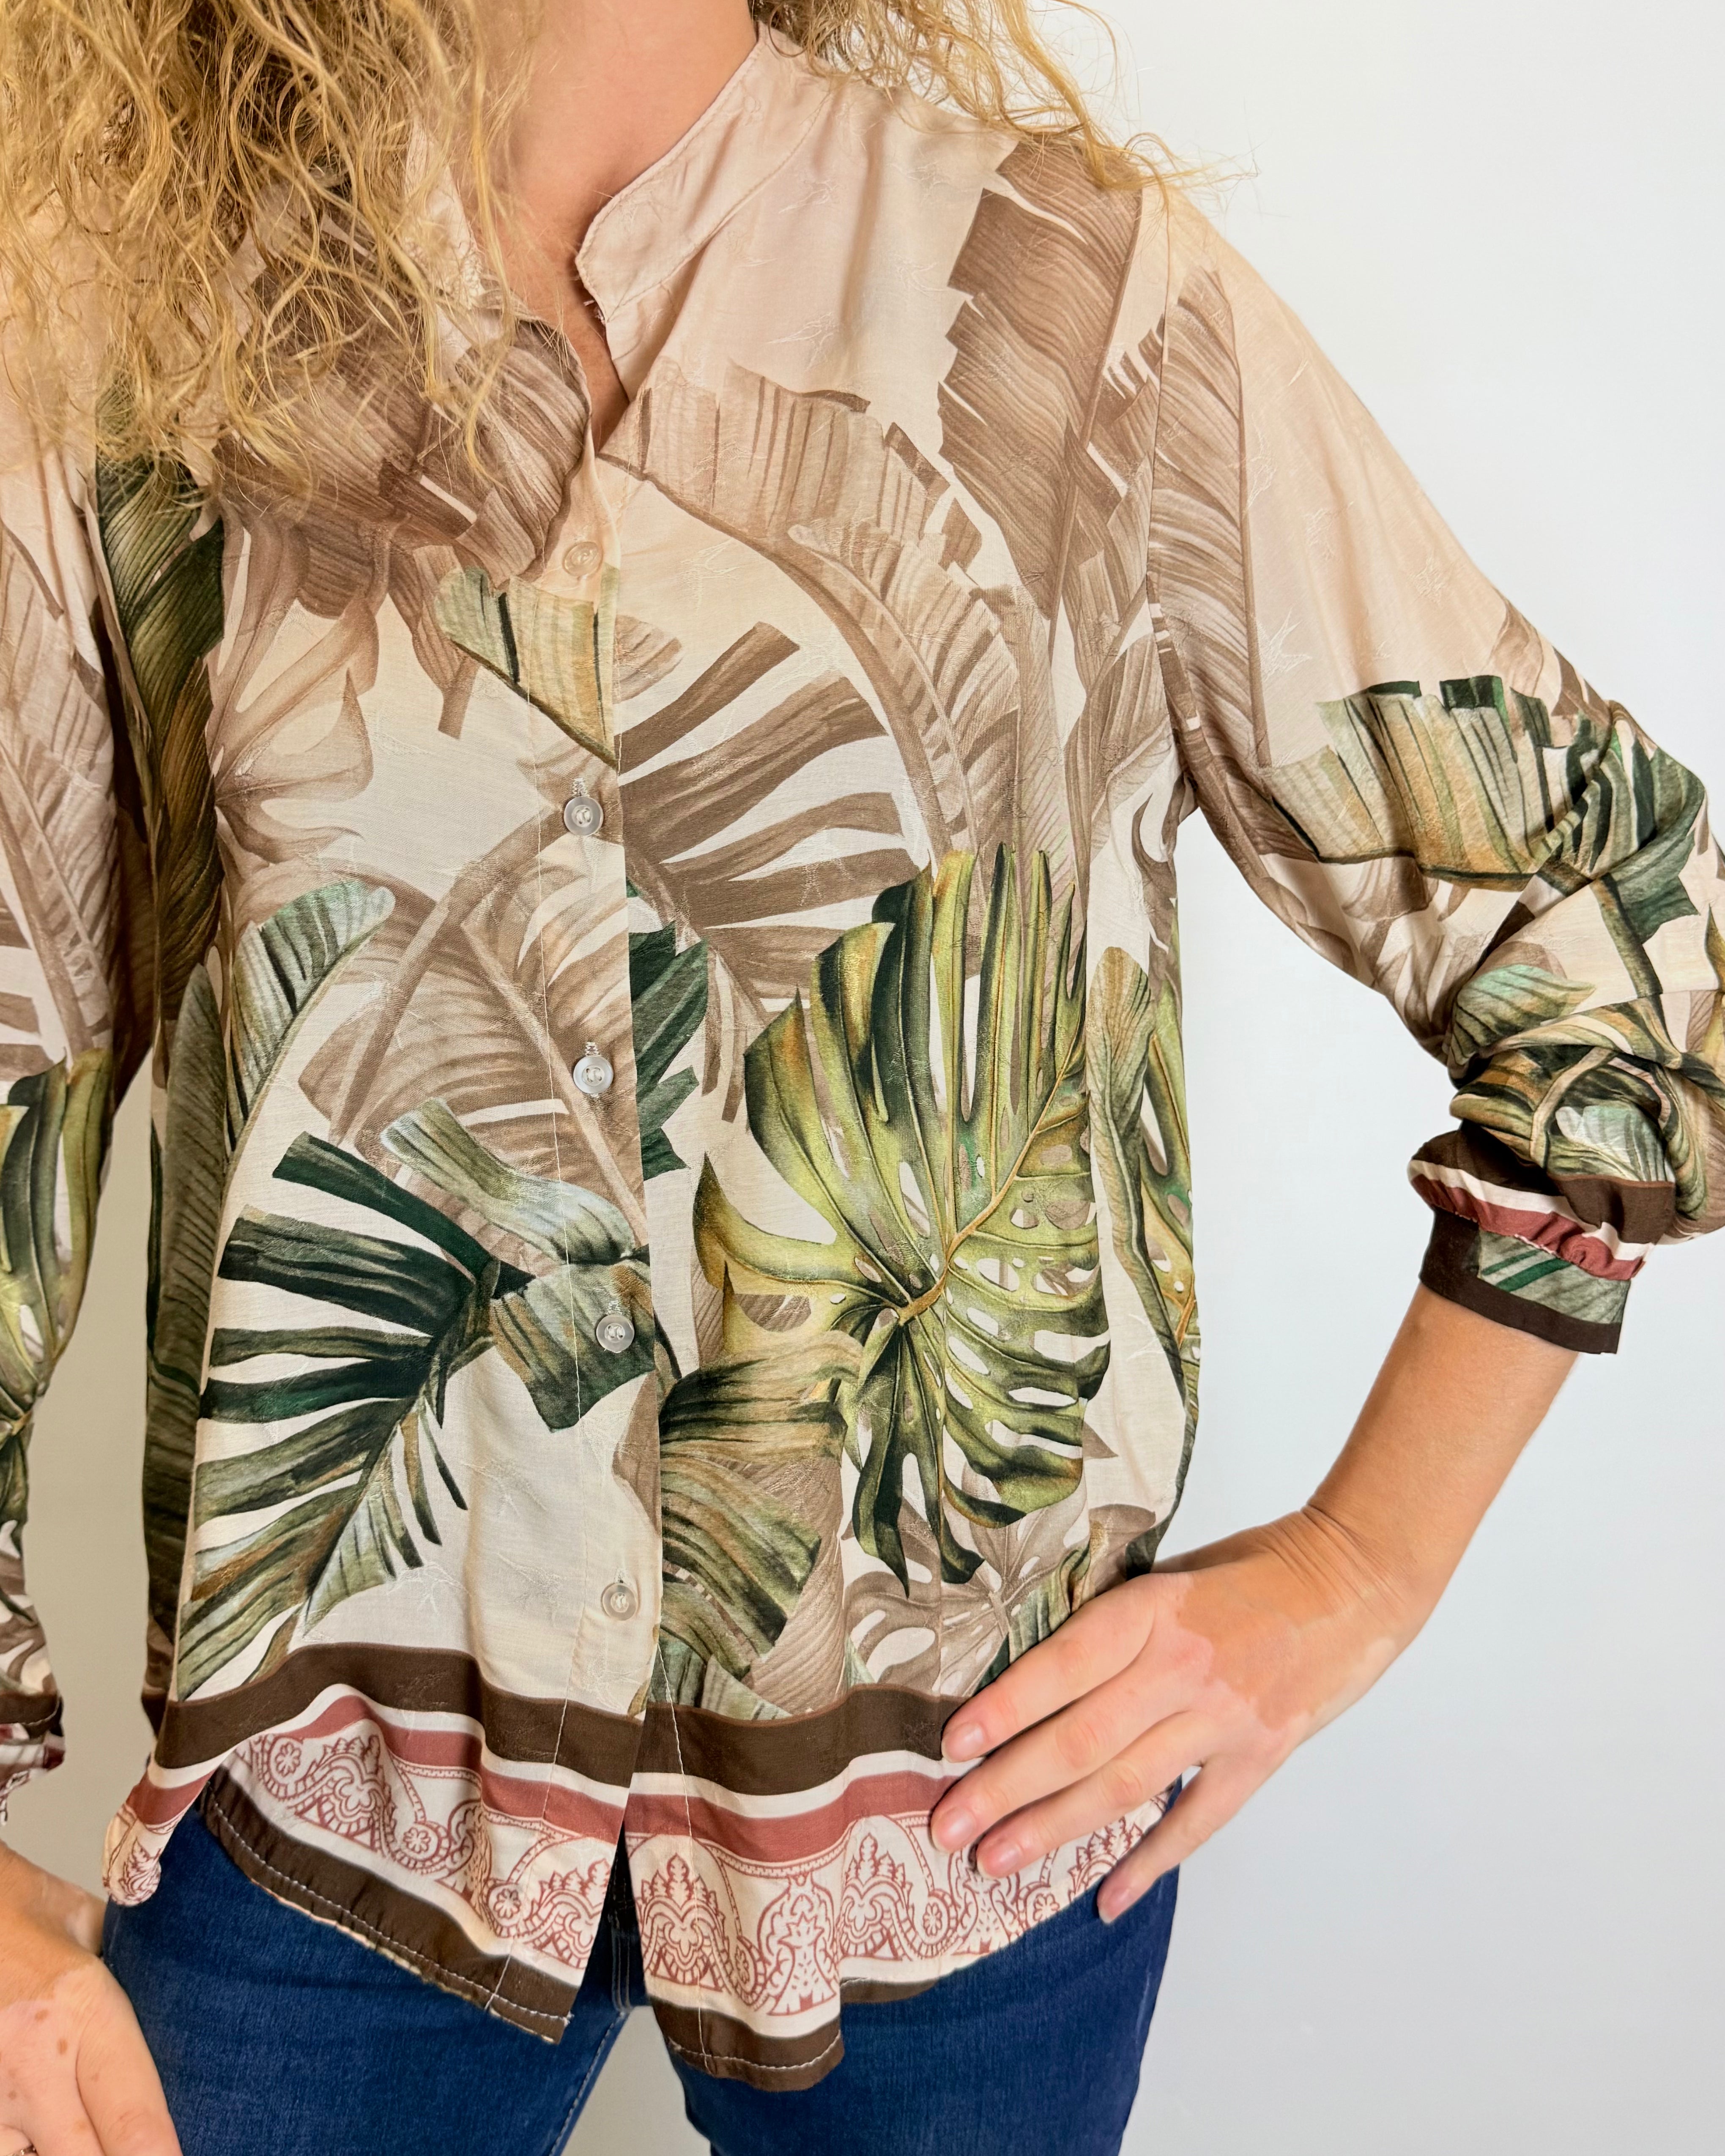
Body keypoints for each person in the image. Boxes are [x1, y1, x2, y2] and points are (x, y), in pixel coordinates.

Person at [0, 1, 1719, 2151]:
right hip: (328, 1828)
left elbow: (1619, 936)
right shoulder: (136, 353)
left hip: (974, 1820)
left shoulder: (1078, 301)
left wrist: (1366, 1566)